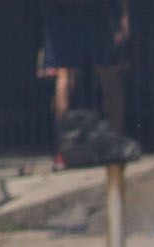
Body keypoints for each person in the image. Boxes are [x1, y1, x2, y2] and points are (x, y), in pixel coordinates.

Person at [36, 0, 131, 164]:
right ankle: (116, 140)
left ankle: (64, 145)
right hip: (95, 8)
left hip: (62, 9)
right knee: (108, 71)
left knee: (65, 72)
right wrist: (124, 15)